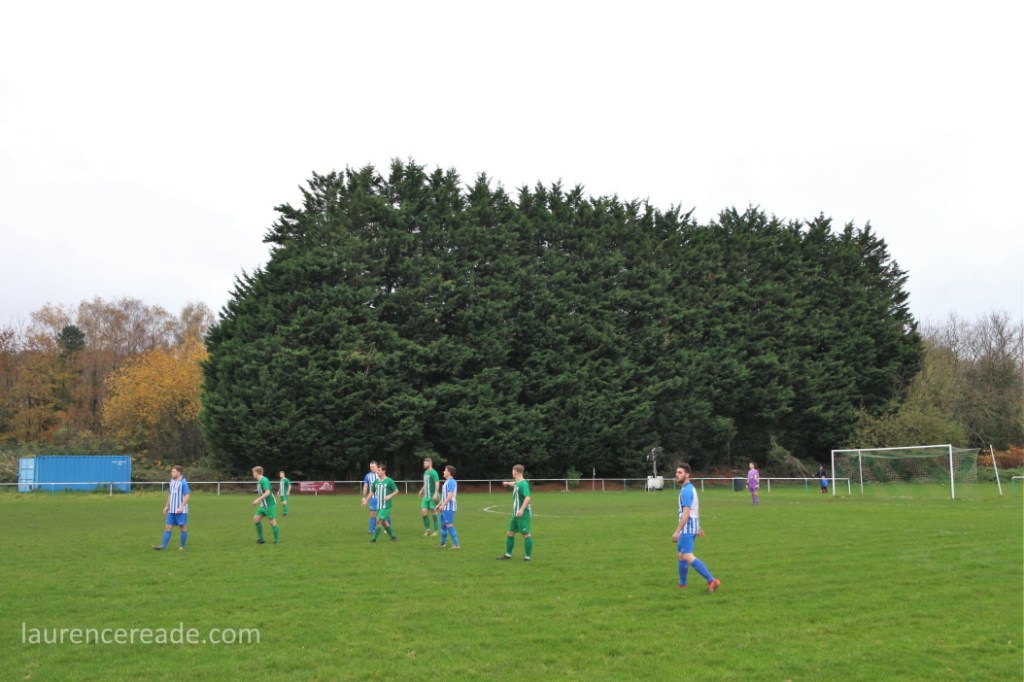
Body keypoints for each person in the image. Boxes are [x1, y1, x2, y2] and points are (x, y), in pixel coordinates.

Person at [672, 463, 720, 592]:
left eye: (680, 472)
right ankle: (683, 584)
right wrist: (698, 526)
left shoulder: (687, 490)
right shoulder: (688, 488)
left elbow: (687, 512)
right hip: (690, 526)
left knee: (687, 555)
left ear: (687, 475)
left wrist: (677, 531)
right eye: (676, 472)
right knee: (681, 555)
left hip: (687, 527)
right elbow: (696, 509)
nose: (677, 474)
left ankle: (712, 580)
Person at [497, 464, 532, 561]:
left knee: (526, 534)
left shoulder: (524, 484)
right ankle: (508, 555)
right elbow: (515, 484)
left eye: (512, 471)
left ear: (515, 472)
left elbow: (528, 497)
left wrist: (521, 510)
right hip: (515, 514)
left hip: (522, 514)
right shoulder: (518, 483)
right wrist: (507, 483)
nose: (512, 473)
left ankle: (527, 557)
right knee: (510, 533)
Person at [153, 465, 190, 551]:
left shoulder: (183, 483)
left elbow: (187, 496)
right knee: (168, 527)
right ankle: (163, 546)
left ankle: (182, 546)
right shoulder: (171, 481)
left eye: (173, 472)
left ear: (179, 472)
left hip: (181, 511)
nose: (171, 473)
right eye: (172, 471)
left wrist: (181, 507)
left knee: (182, 527)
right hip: (171, 510)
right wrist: (167, 506)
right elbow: (170, 495)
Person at [370, 464, 399, 543]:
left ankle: (373, 539)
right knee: (384, 522)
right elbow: (372, 492)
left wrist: (390, 495)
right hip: (379, 506)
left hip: (386, 506)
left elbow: (396, 491)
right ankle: (393, 536)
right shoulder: (376, 482)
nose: (377, 472)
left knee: (378, 520)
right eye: (377, 470)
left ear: (384, 471)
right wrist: (366, 500)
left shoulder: (389, 481)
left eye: (379, 470)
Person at [251, 466, 279, 544]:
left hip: (270, 505)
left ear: (257, 473)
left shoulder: (264, 480)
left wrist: (257, 499)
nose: (253, 473)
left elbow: (267, 492)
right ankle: (261, 539)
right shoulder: (259, 481)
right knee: (256, 520)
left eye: (253, 472)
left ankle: (277, 541)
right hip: (263, 505)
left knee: (272, 523)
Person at [434, 465, 460, 549]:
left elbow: (450, 495)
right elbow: (444, 497)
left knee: (449, 524)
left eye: (445, 470)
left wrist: (443, 505)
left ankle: (456, 545)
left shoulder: (451, 482)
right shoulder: (446, 482)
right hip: (445, 506)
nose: (443, 472)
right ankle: (442, 543)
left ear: (449, 472)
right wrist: (439, 505)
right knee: (443, 525)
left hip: (449, 506)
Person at [419, 457, 440, 536]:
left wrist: (435, 493)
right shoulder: (425, 472)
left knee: (433, 512)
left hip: (432, 496)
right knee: (423, 512)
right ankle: (428, 530)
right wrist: (422, 490)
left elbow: (437, 483)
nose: (424, 464)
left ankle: (436, 531)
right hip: (426, 496)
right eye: (423, 463)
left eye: (425, 463)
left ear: (430, 463)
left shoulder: (434, 473)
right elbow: (426, 483)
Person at [360, 461, 379, 534]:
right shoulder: (368, 476)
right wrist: (364, 497)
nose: (372, 468)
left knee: (383, 514)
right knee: (373, 514)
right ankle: (371, 530)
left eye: (373, 467)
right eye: (371, 467)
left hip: (382, 497)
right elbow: (365, 486)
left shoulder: (380, 474)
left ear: (377, 466)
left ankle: (387, 526)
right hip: (373, 497)